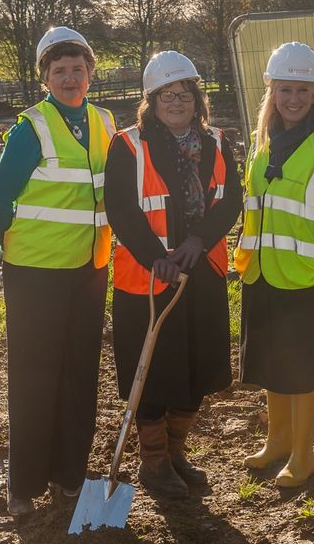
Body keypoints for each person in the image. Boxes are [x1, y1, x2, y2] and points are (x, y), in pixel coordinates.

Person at [104, 51, 243, 498]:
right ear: (151, 101)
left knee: (196, 367)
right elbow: (122, 208)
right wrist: (153, 256)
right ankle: (154, 463)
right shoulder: (128, 145)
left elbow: (230, 201)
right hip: (148, 278)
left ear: (197, 98)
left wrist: (198, 240)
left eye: (184, 92)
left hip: (200, 272)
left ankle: (176, 452)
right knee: (153, 370)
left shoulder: (218, 141)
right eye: (167, 95)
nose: (177, 101)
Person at [0, 26, 115, 517]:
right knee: (35, 378)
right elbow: (0, 197)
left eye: (77, 69)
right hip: (36, 273)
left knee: (80, 377)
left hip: (90, 269)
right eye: (59, 70)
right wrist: (6, 248)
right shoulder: (31, 128)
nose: (70, 78)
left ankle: (69, 476)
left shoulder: (105, 122)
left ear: (90, 73)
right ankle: (23, 487)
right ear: (45, 76)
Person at [236, 41, 314, 488]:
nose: (293, 99)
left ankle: (304, 457)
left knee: (303, 367)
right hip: (262, 272)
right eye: (285, 89)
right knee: (272, 361)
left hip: (307, 280)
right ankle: (278, 441)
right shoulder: (261, 144)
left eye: (302, 91)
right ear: (272, 91)